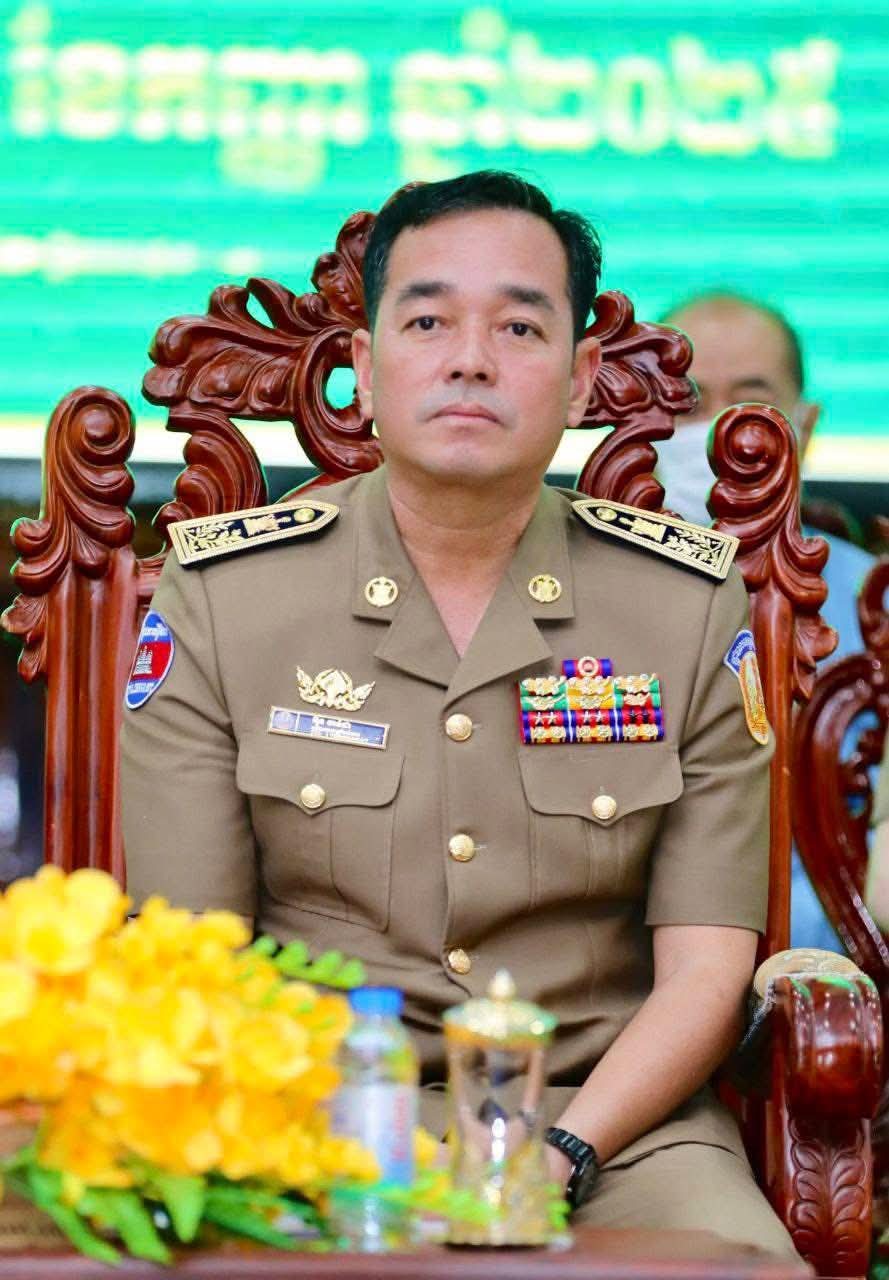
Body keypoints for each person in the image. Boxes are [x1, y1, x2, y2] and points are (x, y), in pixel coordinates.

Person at [121, 171, 796, 1255]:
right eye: (427, 321)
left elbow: (707, 970)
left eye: (519, 327)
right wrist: (334, 1144)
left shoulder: (683, 603)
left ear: (579, 378)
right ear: (362, 368)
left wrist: (560, 1152)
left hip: (612, 1125)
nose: (470, 358)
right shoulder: (224, 595)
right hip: (302, 1117)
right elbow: (191, 958)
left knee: (740, 1265)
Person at [659, 290, 876, 950]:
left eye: (749, 402)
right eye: (690, 402)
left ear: (804, 425)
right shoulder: (578, 586)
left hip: (833, 968)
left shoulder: (873, 600)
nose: (718, 432)